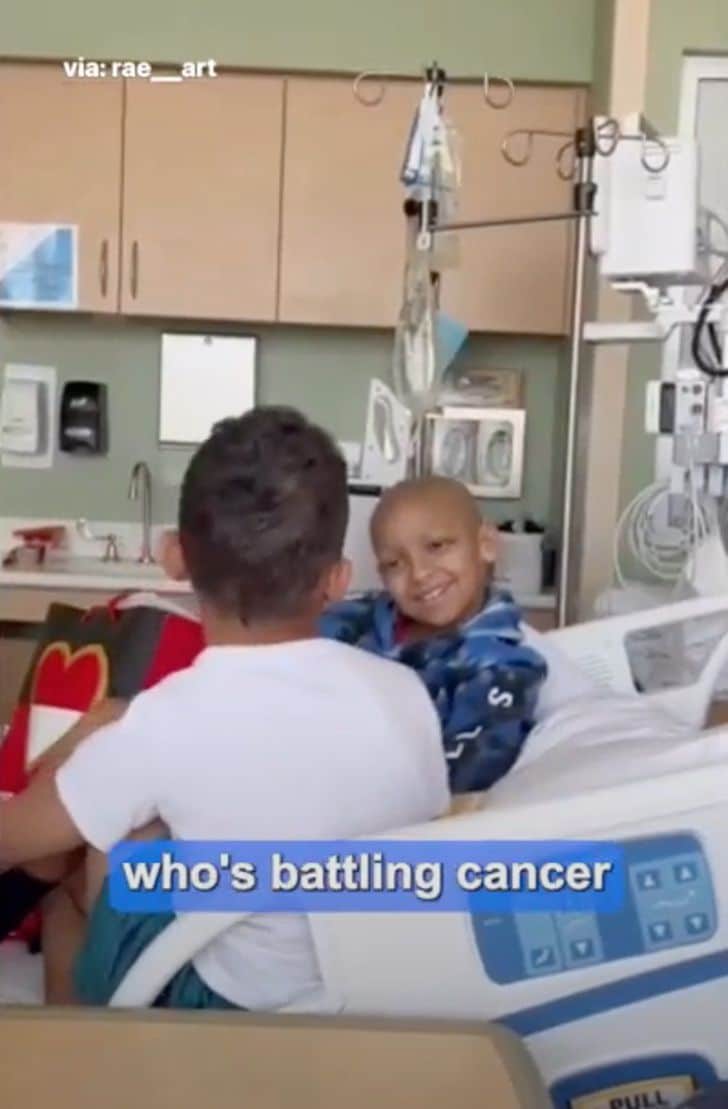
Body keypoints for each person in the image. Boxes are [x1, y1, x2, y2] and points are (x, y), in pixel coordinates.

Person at [0, 408, 449, 1010]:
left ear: (175, 557)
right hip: (372, 998)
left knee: (81, 876)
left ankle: (84, 1054)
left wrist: (83, 737)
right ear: (338, 579)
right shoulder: (406, 694)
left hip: (232, 1009)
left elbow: (15, 840)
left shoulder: (161, 722)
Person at [319, 475, 601, 794]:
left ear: (486, 545)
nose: (419, 574)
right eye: (395, 564)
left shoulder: (501, 668)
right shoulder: (359, 618)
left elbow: (466, 775)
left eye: (437, 547)